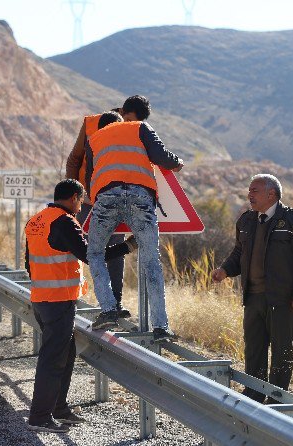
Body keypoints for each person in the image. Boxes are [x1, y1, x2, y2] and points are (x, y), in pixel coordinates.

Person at [25, 179, 137, 433]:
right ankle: (39, 417)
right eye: (81, 200)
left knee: (66, 352)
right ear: (75, 197)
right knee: (53, 359)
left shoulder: (37, 219)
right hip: (58, 300)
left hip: (42, 299)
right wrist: (127, 246)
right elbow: (90, 255)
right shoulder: (64, 221)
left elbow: (29, 262)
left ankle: (59, 408)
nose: (81, 206)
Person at [211, 174, 293, 403]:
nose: (249, 194)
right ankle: (254, 393)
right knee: (254, 348)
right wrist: (225, 270)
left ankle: (277, 398)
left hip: (281, 300)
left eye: (255, 190)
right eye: (249, 190)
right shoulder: (246, 221)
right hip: (253, 297)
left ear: (272, 194)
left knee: (282, 351)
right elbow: (239, 253)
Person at [85, 101, 184, 343]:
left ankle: (109, 310)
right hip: (141, 197)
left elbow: (90, 180)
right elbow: (162, 157)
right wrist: (177, 162)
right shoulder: (140, 127)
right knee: (151, 261)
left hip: (107, 198)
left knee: (96, 253)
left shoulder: (94, 139)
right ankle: (161, 327)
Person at [65, 96, 150, 318]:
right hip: (87, 200)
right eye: (129, 119)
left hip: (118, 197)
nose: (131, 124)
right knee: (81, 249)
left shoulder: (137, 128)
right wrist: (71, 198)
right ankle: (69, 298)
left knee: (114, 251)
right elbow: (75, 159)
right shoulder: (91, 123)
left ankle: (114, 305)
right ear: (122, 111)